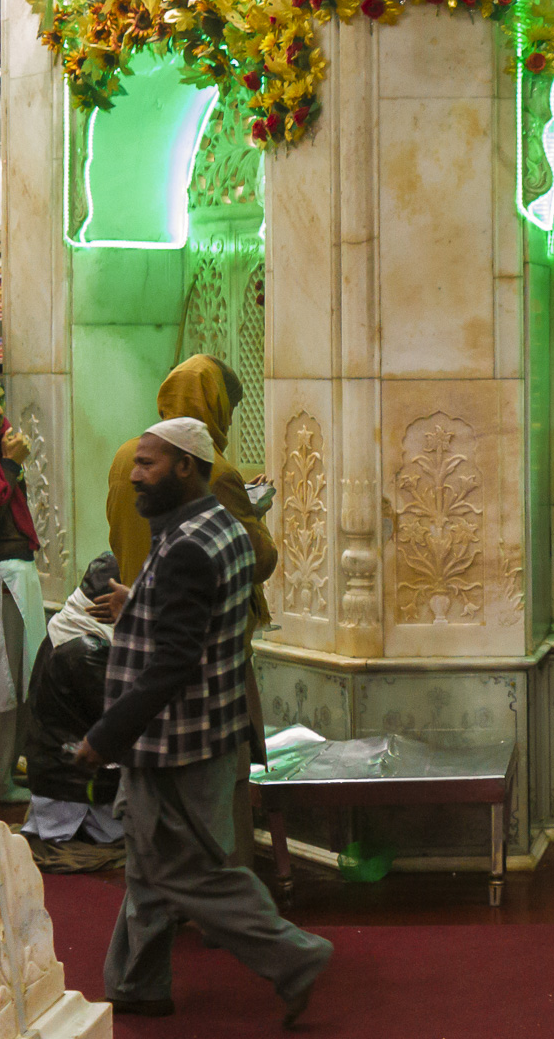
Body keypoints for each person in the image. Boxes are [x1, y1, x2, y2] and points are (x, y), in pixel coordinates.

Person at [74, 417, 332, 1021]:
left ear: (186, 466)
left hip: (175, 740)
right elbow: (201, 617)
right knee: (150, 861)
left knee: (189, 873)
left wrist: (103, 738)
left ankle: (293, 956)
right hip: (201, 730)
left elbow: (173, 663)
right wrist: (136, 601)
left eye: (149, 464)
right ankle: (138, 985)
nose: (135, 475)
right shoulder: (218, 527)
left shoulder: (187, 543)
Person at [103, 354, 276, 865]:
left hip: (141, 632)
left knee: (156, 786)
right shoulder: (215, 472)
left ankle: (163, 897)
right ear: (215, 405)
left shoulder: (125, 457)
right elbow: (254, 560)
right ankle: (227, 897)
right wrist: (255, 512)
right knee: (219, 781)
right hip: (206, 651)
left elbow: (122, 535)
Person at [0, 365, 45, 804]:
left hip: (17, 577)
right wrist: (11, 465)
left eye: (0, 400)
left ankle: (5, 777)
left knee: (26, 679)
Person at [24, 553, 126, 864]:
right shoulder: (86, 649)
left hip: (57, 766)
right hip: (72, 776)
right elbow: (119, 719)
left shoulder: (65, 625)